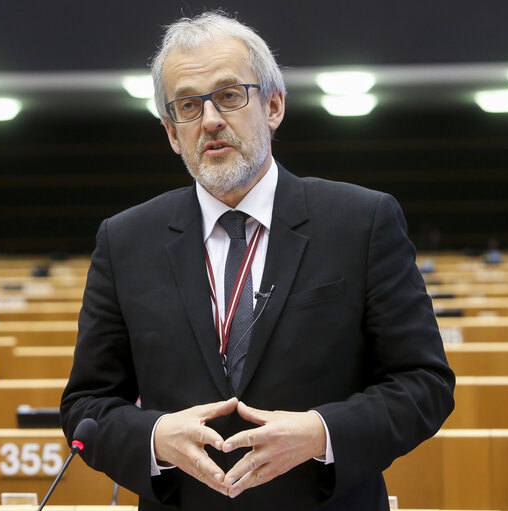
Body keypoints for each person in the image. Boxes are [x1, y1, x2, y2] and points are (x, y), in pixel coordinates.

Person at [60, 11, 455, 511]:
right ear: (171, 133)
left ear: (272, 106)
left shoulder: (362, 222)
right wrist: (155, 437)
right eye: (187, 105)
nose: (209, 120)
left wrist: (321, 433)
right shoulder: (124, 241)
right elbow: (86, 407)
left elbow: (425, 385)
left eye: (229, 96)